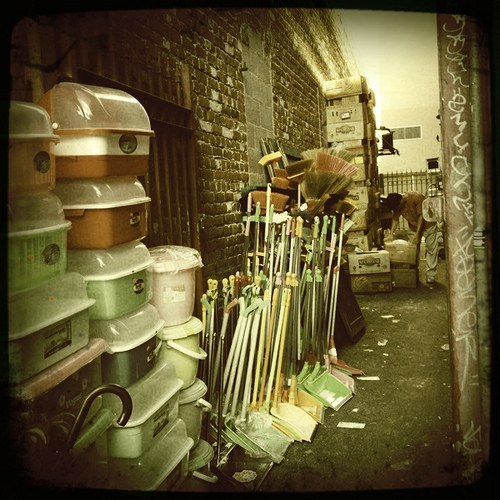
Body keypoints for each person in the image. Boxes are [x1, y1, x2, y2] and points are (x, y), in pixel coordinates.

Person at [381, 191, 439, 284]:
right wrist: (391, 233)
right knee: (412, 250)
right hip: (413, 227)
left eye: (397, 208)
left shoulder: (416, 198)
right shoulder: (396, 204)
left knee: (431, 250)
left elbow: (421, 217)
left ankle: (430, 275)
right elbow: (395, 219)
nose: (398, 210)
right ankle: (413, 273)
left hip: (429, 225)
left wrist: (418, 234)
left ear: (401, 202)